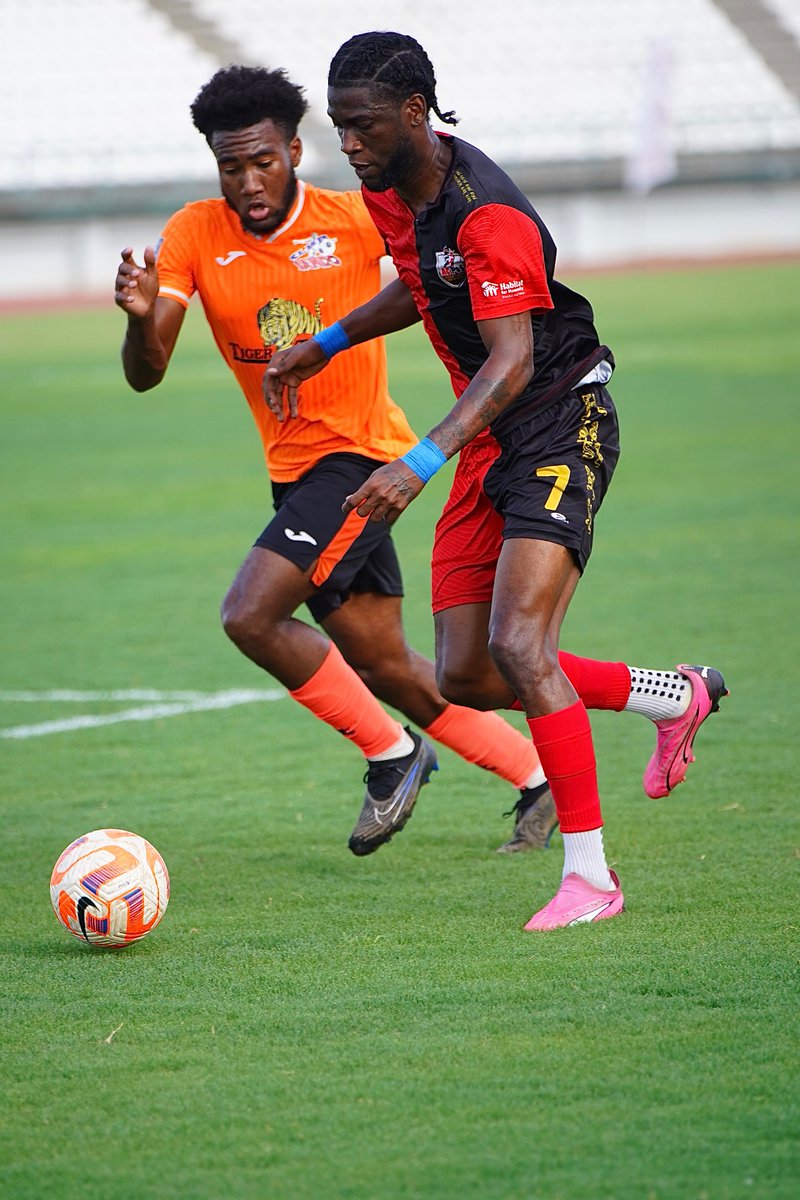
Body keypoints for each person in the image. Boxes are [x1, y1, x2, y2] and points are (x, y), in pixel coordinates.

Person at [265, 32, 728, 928]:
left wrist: (419, 460)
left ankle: (592, 878)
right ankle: (674, 695)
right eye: (339, 127)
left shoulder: (489, 215)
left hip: (559, 421)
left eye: (361, 126)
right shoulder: (392, 190)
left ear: (413, 112)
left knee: (522, 646)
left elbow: (511, 360)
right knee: (470, 675)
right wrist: (325, 341)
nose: (348, 145)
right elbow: (421, 285)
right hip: (488, 442)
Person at [113, 64, 560, 859]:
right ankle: (534, 775)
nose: (248, 181)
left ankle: (391, 756)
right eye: (229, 165)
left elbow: (426, 276)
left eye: (263, 161)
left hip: (361, 460)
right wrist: (142, 316)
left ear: (293, 150)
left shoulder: (354, 217)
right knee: (386, 665)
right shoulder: (190, 235)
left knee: (250, 614)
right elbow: (147, 372)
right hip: (294, 475)